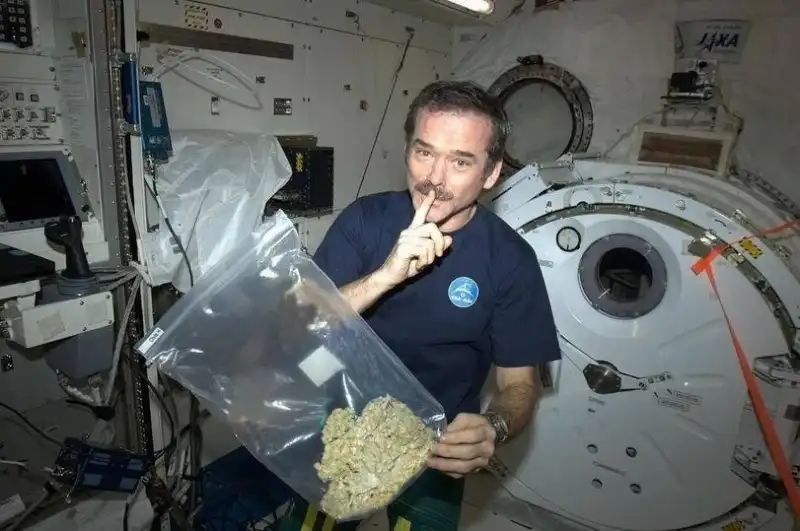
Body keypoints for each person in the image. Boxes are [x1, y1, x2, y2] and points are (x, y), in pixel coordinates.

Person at [278, 80, 560, 531]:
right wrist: (384, 276)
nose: (434, 178)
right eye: (424, 152)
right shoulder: (365, 219)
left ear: (491, 174)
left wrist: (495, 427)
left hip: (437, 444)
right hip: (343, 424)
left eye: (460, 161)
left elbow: (519, 383)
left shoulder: (510, 259)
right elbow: (298, 323)